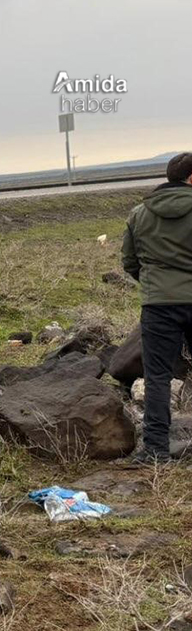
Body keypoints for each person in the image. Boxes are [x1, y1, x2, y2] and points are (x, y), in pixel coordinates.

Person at [121, 151, 192, 464]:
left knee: (157, 376)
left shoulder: (139, 213)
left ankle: (155, 451)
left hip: (158, 305)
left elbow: (129, 262)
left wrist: (154, 284)